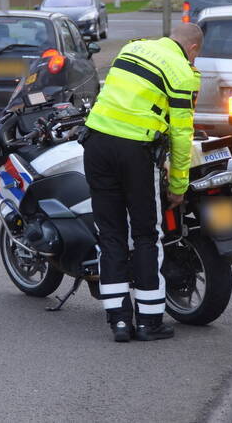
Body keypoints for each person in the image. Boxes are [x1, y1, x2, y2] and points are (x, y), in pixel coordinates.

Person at [83, 23, 202, 342]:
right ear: (192, 50)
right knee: (147, 234)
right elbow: (181, 134)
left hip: (96, 143)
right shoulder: (182, 72)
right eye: (196, 57)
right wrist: (178, 185)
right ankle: (149, 321)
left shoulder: (131, 48)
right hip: (135, 150)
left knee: (110, 235)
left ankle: (119, 322)